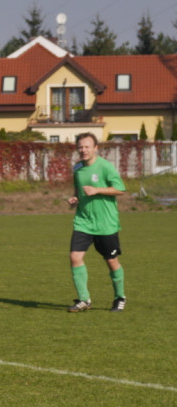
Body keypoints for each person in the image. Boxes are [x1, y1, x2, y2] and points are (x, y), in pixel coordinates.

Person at [66, 133, 127, 312]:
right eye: (80, 147)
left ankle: (119, 297)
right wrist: (74, 198)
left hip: (105, 223)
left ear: (95, 148)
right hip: (83, 221)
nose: (83, 150)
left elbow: (120, 189)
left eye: (87, 147)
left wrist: (97, 190)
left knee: (111, 261)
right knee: (75, 257)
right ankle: (84, 299)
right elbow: (78, 191)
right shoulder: (77, 168)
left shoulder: (105, 167)